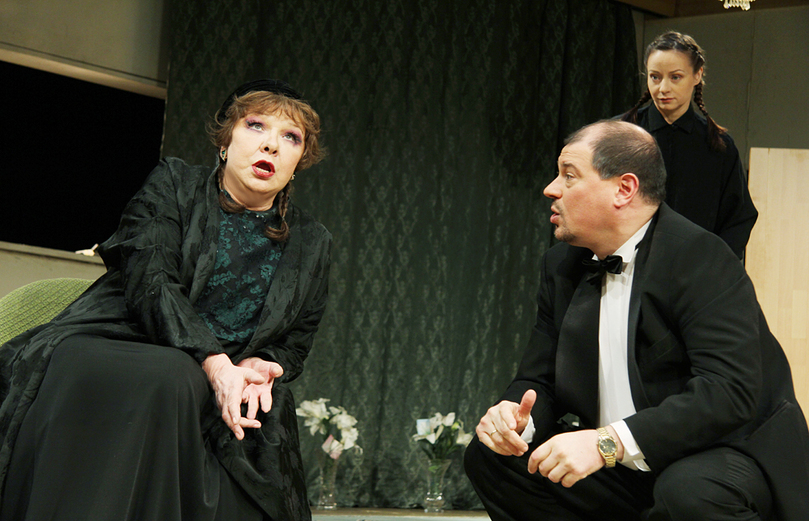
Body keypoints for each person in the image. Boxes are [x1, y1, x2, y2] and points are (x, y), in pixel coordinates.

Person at [0, 79, 331, 520]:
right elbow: (150, 280)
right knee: (173, 376)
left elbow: (298, 337)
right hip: (122, 341)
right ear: (225, 141)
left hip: (224, 380)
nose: (271, 144)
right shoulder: (174, 184)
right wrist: (213, 363)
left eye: (290, 137)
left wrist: (261, 364)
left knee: (250, 414)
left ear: (298, 162)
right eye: (255, 125)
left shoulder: (312, 241)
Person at [464, 120, 809, 521]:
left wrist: (605, 444)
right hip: (625, 463)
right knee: (492, 459)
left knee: (687, 492)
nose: (551, 189)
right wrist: (513, 419)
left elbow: (728, 392)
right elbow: (539, 379)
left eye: (569, 176)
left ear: (624, 189)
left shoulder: (699, 256)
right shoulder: (561, 266)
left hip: (725, 452)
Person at [621, 31, 757, 259]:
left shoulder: (718, 146)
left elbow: (738, 218)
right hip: (626, 265)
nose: (663, 88)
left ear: (697, 75)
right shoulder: (618, 134)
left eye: (675, 77)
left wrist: (714, 265)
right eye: (655, 77)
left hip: (695, 268)